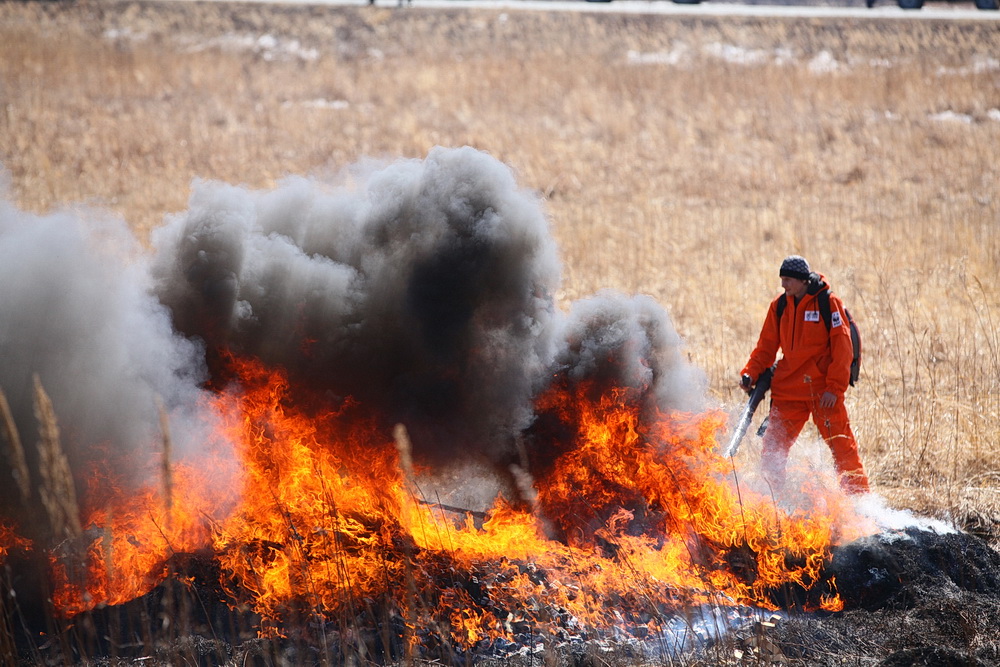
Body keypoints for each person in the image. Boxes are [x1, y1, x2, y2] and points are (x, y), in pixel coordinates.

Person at [740, 256, 870, 495]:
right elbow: (766, 347)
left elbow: (843, 348)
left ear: (801, 280)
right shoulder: (779, 306)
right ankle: (772, 501)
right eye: (782, 279)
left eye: (787, 280)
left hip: (823, 393)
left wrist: (834, 388)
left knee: (842, 448)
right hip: (788, 390)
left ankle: (860, 504)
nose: (783, 285)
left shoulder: (828, 303)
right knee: (773, 450)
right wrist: (750, 373)